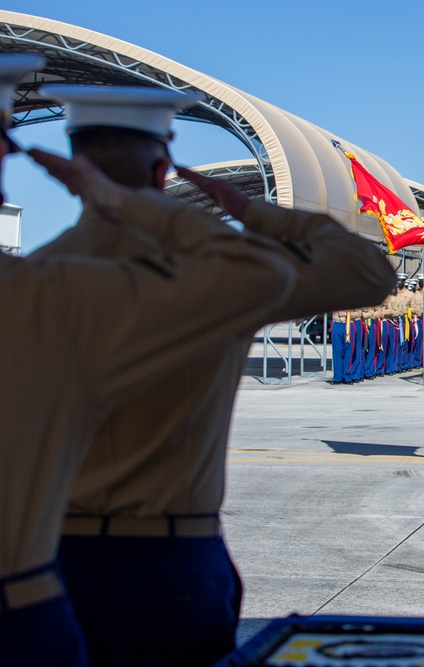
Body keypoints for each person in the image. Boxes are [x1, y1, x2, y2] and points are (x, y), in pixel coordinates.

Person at [31, 84, 396, 667]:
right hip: (170, 557)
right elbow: (368, 270)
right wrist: (248, 209)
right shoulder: (218, 279)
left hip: (44, 560)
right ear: (162, 167)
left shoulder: (35, 277)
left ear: (73, 166)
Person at [0, 58, 302, 667]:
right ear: (163, 169)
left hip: (68, 554)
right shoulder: (55, 290)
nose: (10, 154)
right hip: (143, 561)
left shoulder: (39, 276)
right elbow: (297, 270)